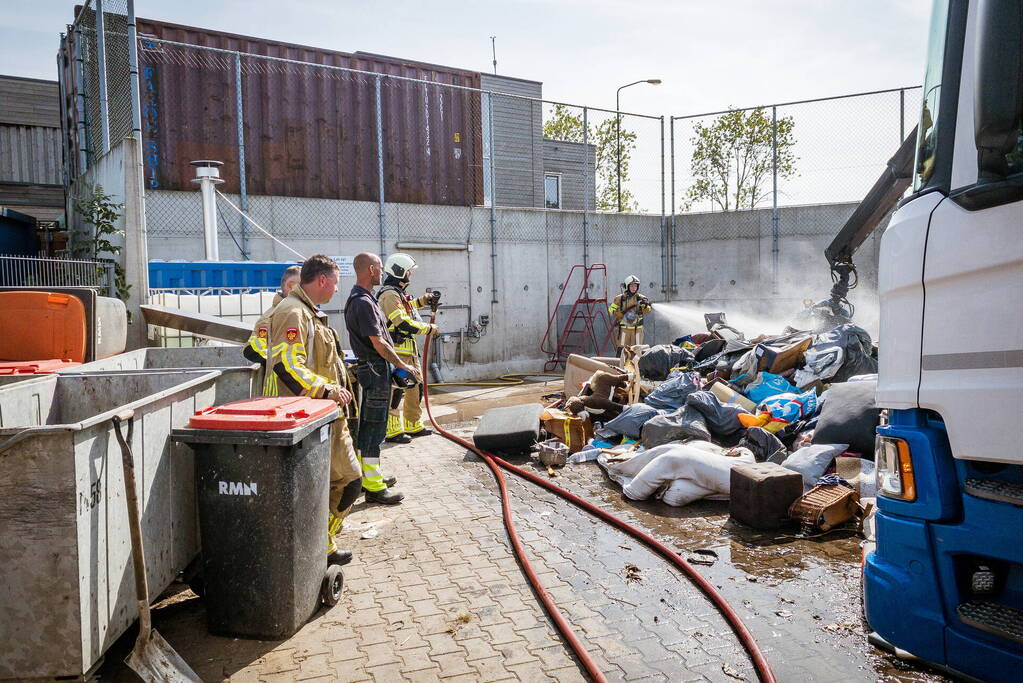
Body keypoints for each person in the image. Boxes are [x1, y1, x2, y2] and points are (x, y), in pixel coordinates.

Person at [242, 254, 361, 565]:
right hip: (307, 417)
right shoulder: (292, 313)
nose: (337, 289)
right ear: (322, 280)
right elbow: (287, 365)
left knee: (347, 481)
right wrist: (327, 389)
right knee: (344, 481)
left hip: (325, 417)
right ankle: (317, 545)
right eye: (335, 282)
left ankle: (322, 541)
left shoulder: (309, 312)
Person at [344, 252, 421, 505]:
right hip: (375, 369)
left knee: (373, 426)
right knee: (374, 427)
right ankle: (374, 487)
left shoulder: (365, 299)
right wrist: (401, 364)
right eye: (378, 267)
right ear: (369, 269)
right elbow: (378, 342)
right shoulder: (363, 302)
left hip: (377, 369)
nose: (381, 271)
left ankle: (371, 477)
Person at [376, 253, 440, 443]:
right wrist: (429, 329)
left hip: (408, 351)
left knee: (415, 387)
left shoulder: (397, 293)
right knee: (397, 390)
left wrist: (423, 301)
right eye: (409, 272)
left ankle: (413, 424)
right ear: (400, 272)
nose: (410, 276)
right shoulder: (389, 294)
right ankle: (393, 431)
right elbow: (402, 322)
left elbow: (407, 308)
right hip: (397, 352)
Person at [608, 275, 652, 356]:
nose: (633, 288)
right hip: (624, 329)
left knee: (638, 350)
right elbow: (610, 309)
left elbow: (648, 310)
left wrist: (645, 306)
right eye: (631, 285)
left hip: (637, 329)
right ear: (627, 286)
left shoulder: (642, 298)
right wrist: (616, 312)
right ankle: (619, 366)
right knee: (622, 349)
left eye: (635, 286)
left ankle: (637, 367)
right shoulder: (620, 298)